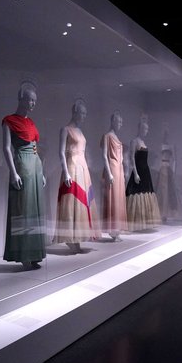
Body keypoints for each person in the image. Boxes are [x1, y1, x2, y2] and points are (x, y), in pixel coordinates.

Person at [1, 81, 46, 269]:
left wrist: (41, 172)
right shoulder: (9, 120)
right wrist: (13, 173)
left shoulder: (31, 122)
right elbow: (6, 148)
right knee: (23, 209)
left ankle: (34, 253)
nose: (33, 104)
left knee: (34, 210)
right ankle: (22, 253)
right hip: (22, 166)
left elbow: (36, 148)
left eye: (35, 100)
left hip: (35, 166)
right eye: (30, 100)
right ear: (21, 99)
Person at [53, 98, 101, 252]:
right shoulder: (65, 129)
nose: (84, 116)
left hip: (83, 168)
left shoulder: (80, 131)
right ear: (74, 112)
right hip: (72, 167)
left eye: (85, 113)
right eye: (82, 113)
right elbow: (61, 152)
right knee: (72, 201)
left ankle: (78, 237)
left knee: (82, 203)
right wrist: (66, 172)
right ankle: (70, 238)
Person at [126, 114, 161, 231]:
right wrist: (135, 173)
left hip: (146, 171)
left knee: (146, 194)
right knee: (137, 194)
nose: (146, 131)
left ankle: (145, 223)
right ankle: (136, 223)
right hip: (139, 171)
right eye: (144, 129)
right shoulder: (134, 141)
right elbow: (131, 158)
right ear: (140, 129)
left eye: (147, 129)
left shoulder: (143, 142)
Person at [101, 111, 127, 241]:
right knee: (113, 199)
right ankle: (113, 229)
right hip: (112, 168)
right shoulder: (107, 136)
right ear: (112, 121)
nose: (120, 124)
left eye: (121, 122)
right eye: (118, 121)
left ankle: (117, 229)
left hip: (119, 169)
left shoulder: (116, 137)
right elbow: (104, 155)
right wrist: (109, 173)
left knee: (119, 199)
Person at [156, 127, 180, 223]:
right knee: (162, 192)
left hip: (168, 170)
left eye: (167, 133)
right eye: (164, 133)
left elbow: (174, 159)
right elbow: (159, 159)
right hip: (162, 170)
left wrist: (173, 171)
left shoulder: (171, 146)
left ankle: (167, 214)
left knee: (169, 192)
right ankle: (162, 214)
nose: (165, 135)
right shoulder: (161, 146)